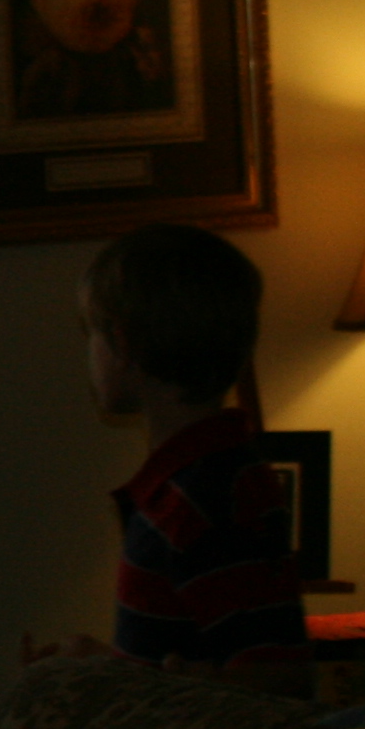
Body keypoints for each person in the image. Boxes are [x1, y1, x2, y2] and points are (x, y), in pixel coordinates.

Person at [77, 221, 307, 679]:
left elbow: (272, 673)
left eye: (91, 334)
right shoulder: (196, 483)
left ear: (122, 344)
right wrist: (104, 666)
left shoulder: (205, 499)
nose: (89, 352)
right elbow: (174, 654)